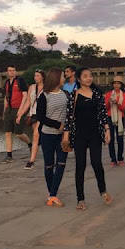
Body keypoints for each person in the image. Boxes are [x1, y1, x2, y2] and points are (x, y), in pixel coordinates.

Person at [62, 67, 113, 210]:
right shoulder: (74, 95)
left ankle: (103, 191)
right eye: (85, 76)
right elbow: (69, 118)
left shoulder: (97, 95)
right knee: (80, 165)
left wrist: (107, 129)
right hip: (79, 135)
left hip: (95, 134)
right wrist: (66, 136)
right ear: (78, 79)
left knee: (97, 163)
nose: (89, 78)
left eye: (90, 76)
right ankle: (80, 199)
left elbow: (103, 115)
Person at [36, 68, 71, 207]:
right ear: (56, 78)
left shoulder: (66, 94)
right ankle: (51, 193)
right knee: (49, 165)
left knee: (61, 164)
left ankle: (53, 194)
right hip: (47, 135)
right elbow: (40, 117)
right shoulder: (44, 96)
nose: (64, 78)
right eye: (63, 76)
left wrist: (66, 129)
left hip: (63, 136)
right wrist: (58, 124)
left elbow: (70, 114)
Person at [16, 69, 45, 170]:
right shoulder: (32, 87)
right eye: (35, 76)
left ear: (43, 77)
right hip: (33, 114)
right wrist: (20, 115)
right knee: (38, 136)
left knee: (36, 135)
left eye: (37, 76)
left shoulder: (47, 88)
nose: (36, 78)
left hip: (43, 115)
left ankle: (31, 161)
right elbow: (28, 102)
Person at [2, 65, 31, 163]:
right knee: (7, 132)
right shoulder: (6, 82)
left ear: (16, 71)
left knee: (18, 134)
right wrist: (4, 111)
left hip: (18, 108)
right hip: (9, 109)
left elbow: (25, 95)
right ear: (7, 72)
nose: (11, 72)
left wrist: (21, 109)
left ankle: (29, 143)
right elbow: (6, 97)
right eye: (9, 71)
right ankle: (9, 155)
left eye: (13, 70)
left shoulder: (20, 81)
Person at [105, 76, 125, 166]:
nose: (116, 85)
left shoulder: (124, 95)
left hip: (120, 117)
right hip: (110, 117)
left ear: (121, 85)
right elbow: (106, 108)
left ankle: (120, 158)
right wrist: (109, 102)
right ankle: (113, 159)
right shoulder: (108, 94)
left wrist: (117, 103)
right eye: (115, 83)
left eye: (118, 83)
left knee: (120, 139)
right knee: (111, 139)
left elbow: (123, 108)